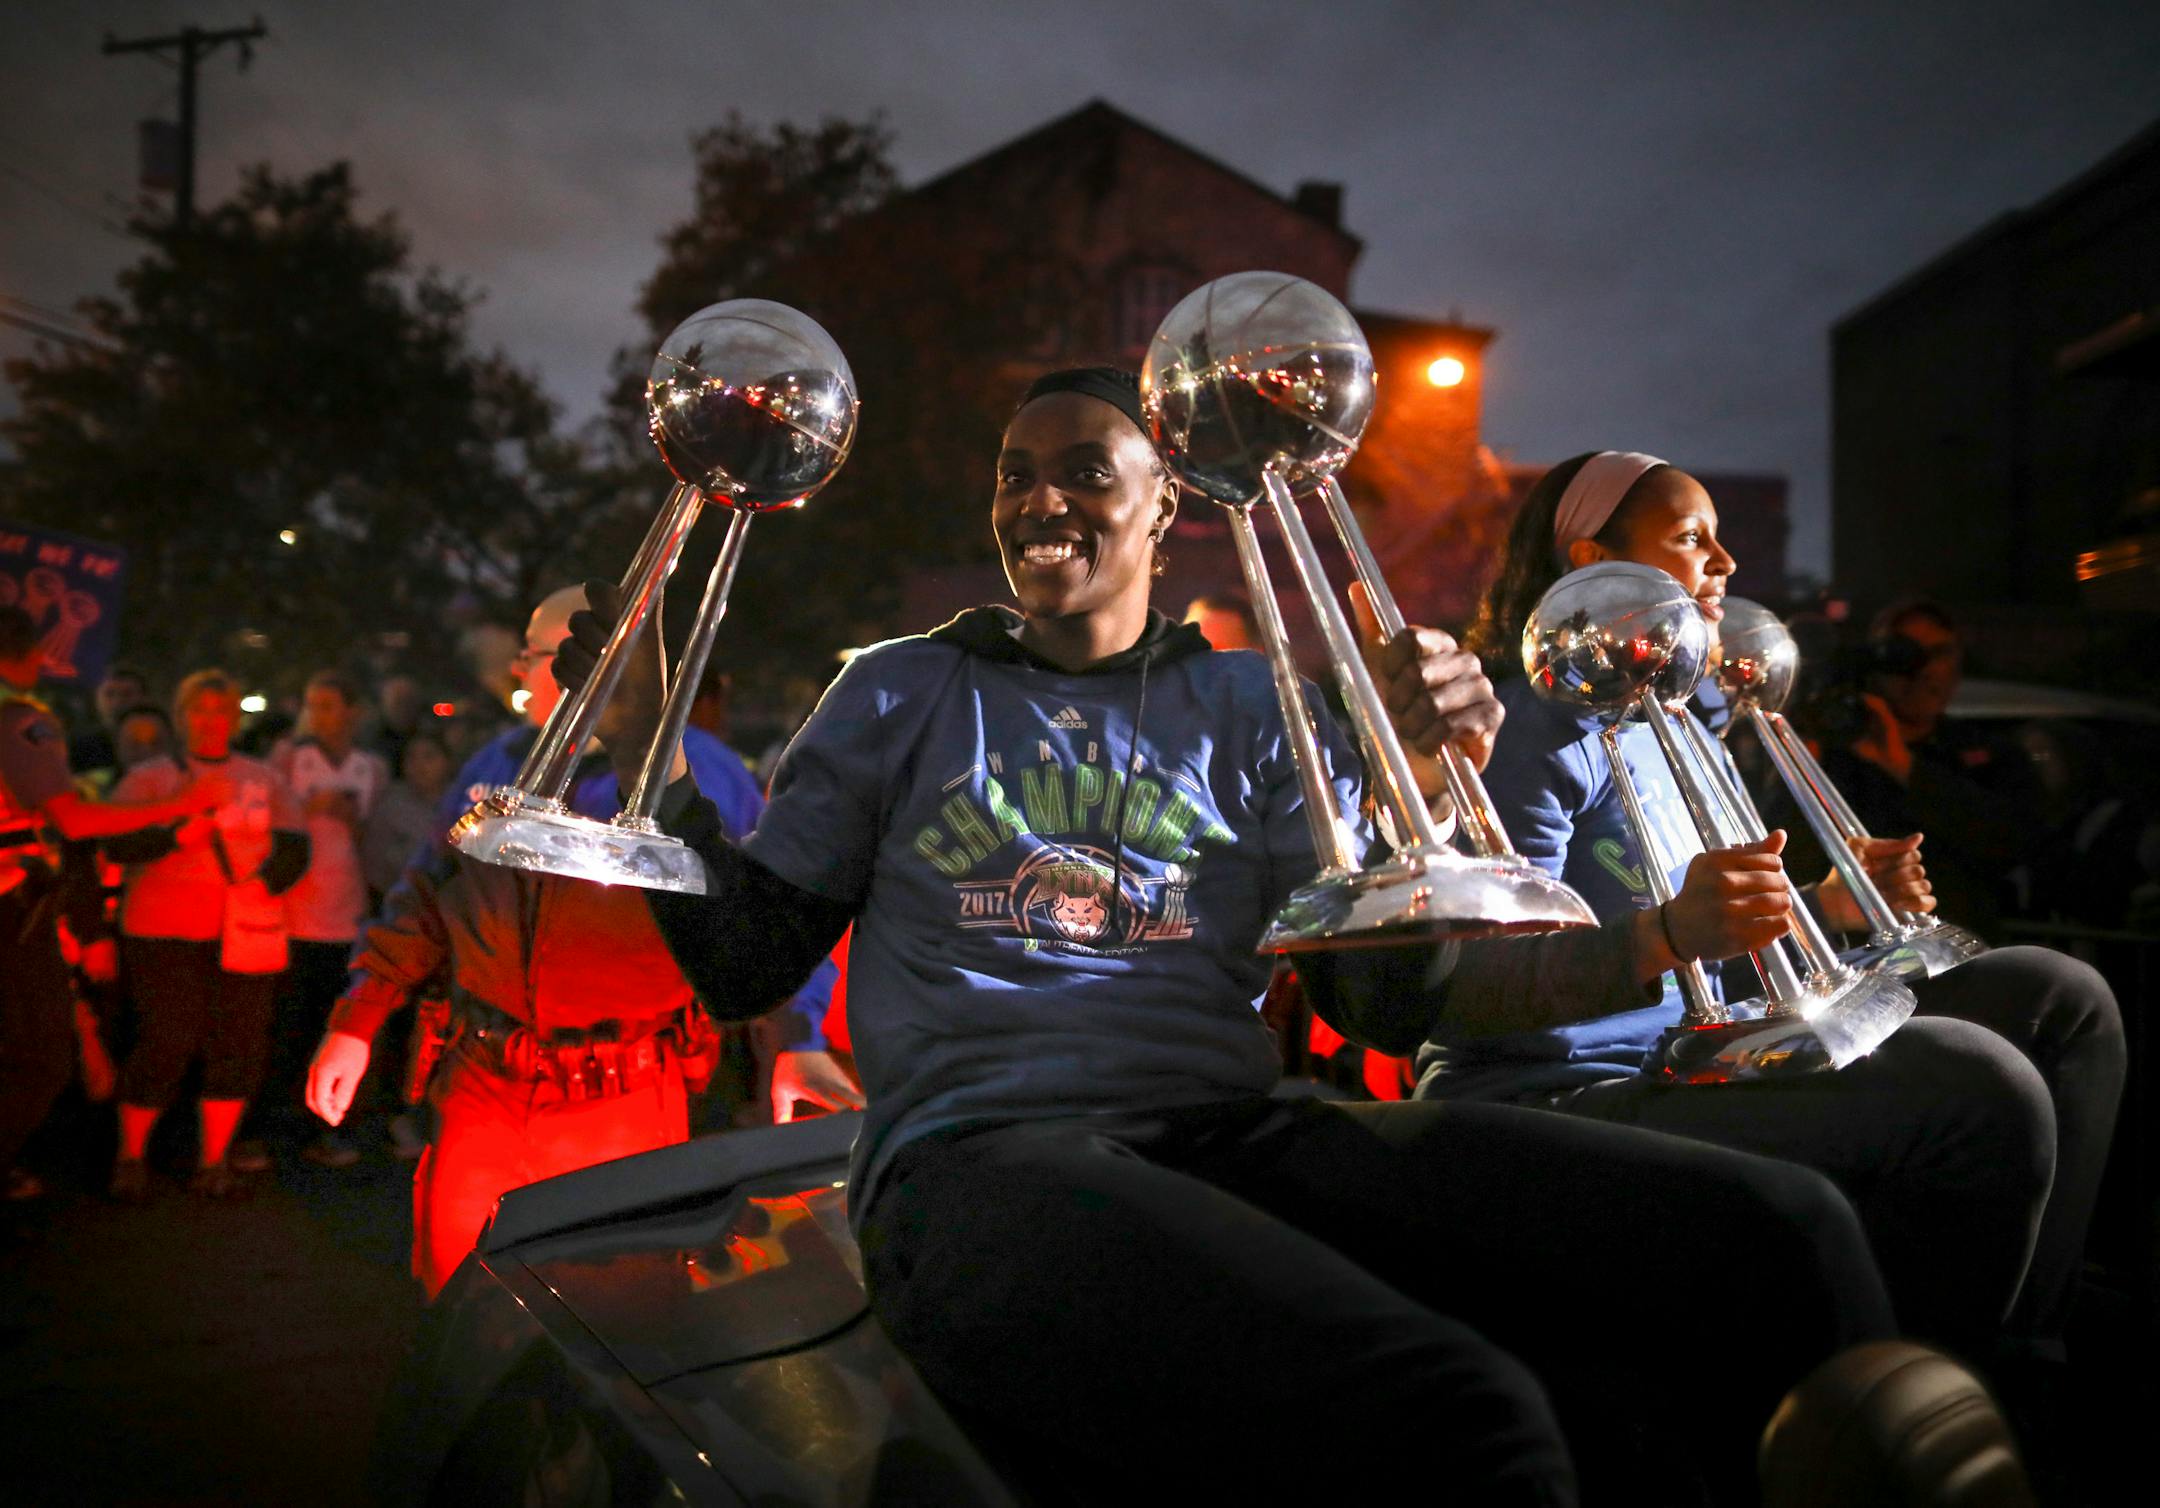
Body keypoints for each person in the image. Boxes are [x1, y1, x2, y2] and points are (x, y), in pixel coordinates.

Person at [556, 369, 1933, 1501]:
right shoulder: (904, 690)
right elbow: (744, 965)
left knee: (1782, 1232)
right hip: (978, 1171)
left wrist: (1417, 799)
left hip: (1228, 1136)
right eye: (1014, 474)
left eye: (1086, 469)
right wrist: (645, 753)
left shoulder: (1254, 706)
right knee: (1463, 1416)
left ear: (1169, 507)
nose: (1041, 497)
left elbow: (1388, 1014)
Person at [1427, 449, 2123, 1384]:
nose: (1726, 563)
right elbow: (1473, 986)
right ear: (1595, 561)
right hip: (1566, 1093)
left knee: (2060, 998)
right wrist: (1669, 936)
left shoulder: (1682, 725)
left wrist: (1827, 906)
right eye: (1690, 539)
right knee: (1978, 1085)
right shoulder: (1528, 731)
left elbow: (1710, 923)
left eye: (1719, 539)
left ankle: (2026, 1352)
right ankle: (1914, 1414)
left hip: (1695, 1060)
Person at [304, 586, 848, 1297]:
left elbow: (773, 912)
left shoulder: (697, 774)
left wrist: (796, 1036)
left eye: (530, 656)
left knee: (616, 1307)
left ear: (586, 659)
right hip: (482, 1089)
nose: (516, 674)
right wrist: (359, 1017)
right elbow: (427, 897)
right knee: (460, 1296)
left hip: (621, 1099)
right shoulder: (491, 765)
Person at [1, 612, 216, 1200]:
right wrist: (176, 808)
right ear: (29, 654)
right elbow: (72, 818)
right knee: (41, 1055)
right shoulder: (21, 722)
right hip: (12, 909)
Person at [105, 669, 309, 1200]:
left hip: (242, 932)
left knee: (237, 1044)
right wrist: (175, 833)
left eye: (222, 710)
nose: (211, 721)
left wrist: (266, 881)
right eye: (200, 709)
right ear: (181, 716)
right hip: (163, 931)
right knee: (166, 1042)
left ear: (236, 717)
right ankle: (130, 1155)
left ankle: (213, 1158)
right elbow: (115, 844)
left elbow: (293, 843)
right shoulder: (150, 778)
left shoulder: (262, 777)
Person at [264, 670, 389, 1169]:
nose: (318, 715)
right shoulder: (291, 759)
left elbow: (376, 834)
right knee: (288, 1025)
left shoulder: (369, 768)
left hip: (348, 910)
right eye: (312, 705)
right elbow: (272, 820)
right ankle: (281, 1132)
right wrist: (307, 806)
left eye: (329, 705)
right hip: (295, 913)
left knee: (329, 1024)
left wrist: (352, 822)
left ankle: (329, 1128)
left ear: (353, 711)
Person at [360, 730, 453, 903]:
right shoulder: (391, 806)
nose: (420, 765)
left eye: (429, 757)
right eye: (411, 758)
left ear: (446, 761)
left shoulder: (462, 804)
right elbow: (375, 862)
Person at [66, 662, 149, 780]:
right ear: (97, 699)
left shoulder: (160, 745)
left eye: (127, 694)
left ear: (144, 699)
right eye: (109, 694)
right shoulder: (78, 747)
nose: (117, 702)